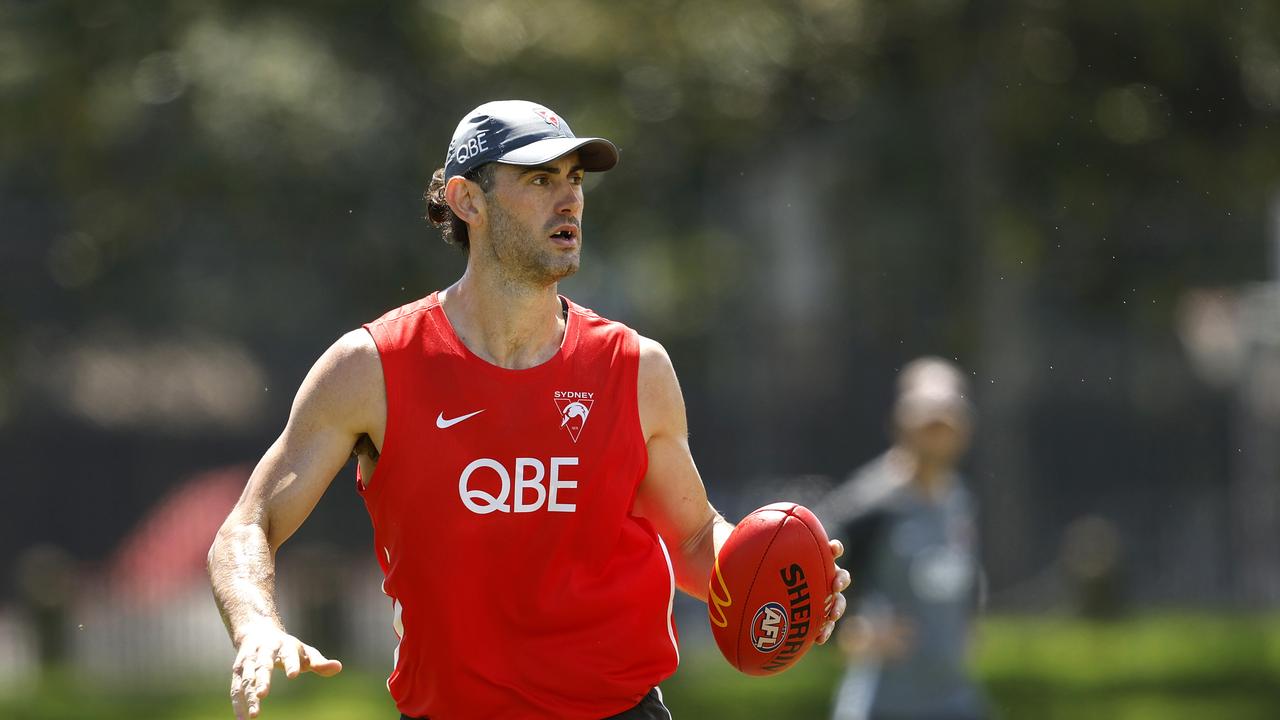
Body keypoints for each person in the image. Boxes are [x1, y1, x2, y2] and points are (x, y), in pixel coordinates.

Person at [208, 100, 851, 720]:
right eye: (540, 178)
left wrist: (781, 579)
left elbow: (688, 538)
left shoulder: (636, 368)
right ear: (467, 200)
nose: (568, 197)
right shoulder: (371, 367)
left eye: (573, 179)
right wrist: (256, 626)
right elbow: (247, 526)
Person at [818, 358, 987, 720]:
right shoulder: (871, 502)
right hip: (884, 704)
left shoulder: (958, 499)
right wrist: (853, 632)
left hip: (954, 700)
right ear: (902, 421)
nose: (939, 434)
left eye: (948, 422)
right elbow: (814, 574)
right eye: (929, 423)